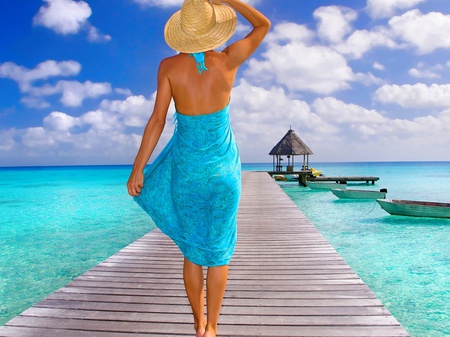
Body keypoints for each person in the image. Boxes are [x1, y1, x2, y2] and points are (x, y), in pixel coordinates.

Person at [127, 0, 270, 336]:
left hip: (187, 175)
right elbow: (262, 26)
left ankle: (198, 323)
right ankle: (214, 330)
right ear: (213, 27)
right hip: (223, 174)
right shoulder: (229, 59)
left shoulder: (168, 67)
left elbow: (157, 120)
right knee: (218, 253)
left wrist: (138, 168)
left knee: (193, 251)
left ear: (183, 32)